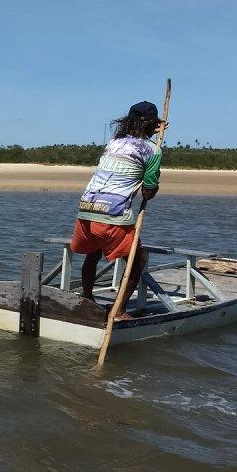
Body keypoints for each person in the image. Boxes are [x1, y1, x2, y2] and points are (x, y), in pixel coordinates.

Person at [71, 101, 165, 320]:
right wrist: (154, 179)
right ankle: (119, 310)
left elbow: (136, 142)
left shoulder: (115, 142)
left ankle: (87, 298)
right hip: (112, 213)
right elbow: (148, 193)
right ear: (151, 125)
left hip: (86, 208)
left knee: (93, 255)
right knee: (135, 261)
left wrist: (154, 128)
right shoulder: (153, 150)